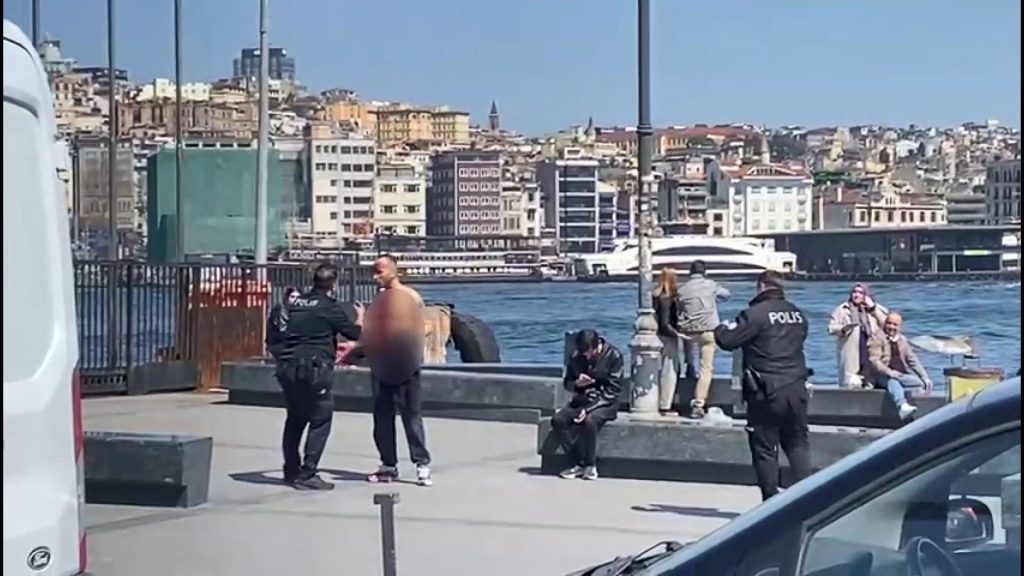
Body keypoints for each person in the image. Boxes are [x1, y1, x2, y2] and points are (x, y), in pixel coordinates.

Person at [714, 270, 811, 501]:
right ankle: (810, 496)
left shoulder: (755, 314)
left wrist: (720, 328)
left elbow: (728, 341)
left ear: (761, 287)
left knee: (765, 447)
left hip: (765, 389)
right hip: (797, 386)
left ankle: (770, 501)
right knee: (797, 443)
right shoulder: (797, 314)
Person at [343, 255, 434, 487]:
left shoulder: (410, 296)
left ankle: (421, 463)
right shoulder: (380, 298)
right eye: (373, 272)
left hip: (405, 363)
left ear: (394, 271)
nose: (375, 277)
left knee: (411, 415)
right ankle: (388, 465)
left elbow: (426, 326)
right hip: (382, 364)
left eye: (380, 271)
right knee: (382, 416)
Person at [273, 264, 363, 490]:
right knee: (321, 418)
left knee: (295, 418)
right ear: (334, 283)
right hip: (314, 369)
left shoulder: (298, 304)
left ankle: (291, 470)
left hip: (287, 367)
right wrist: (361, 317)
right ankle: (308, 473)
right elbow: (354, 333)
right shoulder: (329, 307)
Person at [550, 329, 625, 481]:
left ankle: (590, 464)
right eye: (584, 353)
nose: (587, 356)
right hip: (582, 399)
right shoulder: (577, 356)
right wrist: (577, 383)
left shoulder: (614, 356)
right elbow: (568, 382)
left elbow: (614, 390)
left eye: (590, 353)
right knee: (558, 420)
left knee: (589, 420)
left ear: (597, 346)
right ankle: (576, 462)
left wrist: (589, 409)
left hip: (604, 402)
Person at [678, 260, 730, 419]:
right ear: (704, 272)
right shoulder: (711, 285)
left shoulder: (682, 289)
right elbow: (726, 295)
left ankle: (689, 371)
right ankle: (698, 404)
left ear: (690, 273)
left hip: (688, 331)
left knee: (690, 360)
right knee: (706, 368)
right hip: (708, 330)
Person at [867, 312, 934, 420]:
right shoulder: (877, 338)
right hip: (881, 376)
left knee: (919, 383)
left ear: (900, 327)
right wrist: (890, 372)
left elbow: (912, 360)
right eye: (889, 323)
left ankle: (904, 396)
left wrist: (924, 376)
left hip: (900, 375)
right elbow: (874, 361)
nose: (891, 327)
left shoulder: (902, 340)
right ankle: (902, 405)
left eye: (895, 324)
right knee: (892, 381)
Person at [828, 283, 887, 389]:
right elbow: (831, 328)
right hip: (851, 353)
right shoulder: (843, 309)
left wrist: (873, 308)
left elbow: (887, 324)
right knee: (850, 384)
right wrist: (843, 329)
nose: (856, 295)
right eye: (854, 292)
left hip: (870, 352)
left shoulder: (875, 309)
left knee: (871, 384)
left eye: (860, 293)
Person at [653, 268, 684, 416]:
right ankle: (665, 405)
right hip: (668, 338)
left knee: (659, 370)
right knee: (669, 371)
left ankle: (658, 402)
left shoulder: (655, 296)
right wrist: (679, 334)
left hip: (657, 336)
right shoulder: (667, 298)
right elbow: (665, 324)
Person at [265, 286, 299, 360]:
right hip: (278, 345)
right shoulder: (277, 311)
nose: (295, 300)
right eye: (292, 297)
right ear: (286, 298)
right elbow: (272, 331)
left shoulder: (300, 313)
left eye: (298, 297)